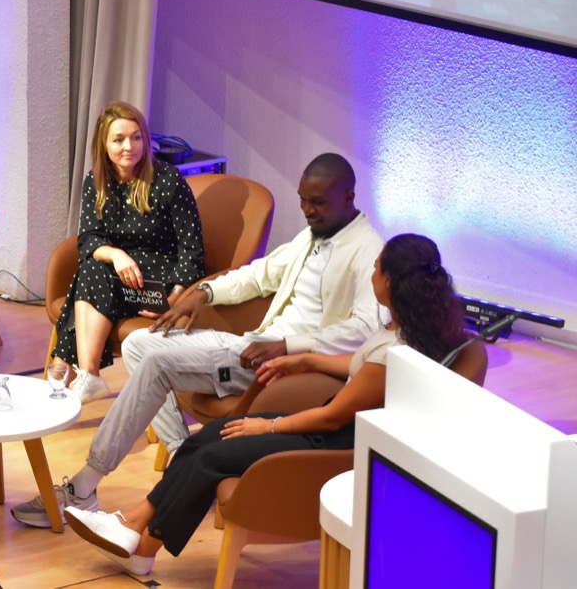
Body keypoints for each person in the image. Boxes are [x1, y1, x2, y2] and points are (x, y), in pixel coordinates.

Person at [12, 153, 384, 528]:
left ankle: (84, 486)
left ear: (348, 197)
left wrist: (291, 346)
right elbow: (257, 276)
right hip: (254, 344)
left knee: (156, 362)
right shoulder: (311, 236)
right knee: (138, 344)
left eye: (317, 202)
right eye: (303, 200)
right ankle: (182, 459)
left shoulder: (367, 252)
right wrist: (203, 293)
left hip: (280, 363)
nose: (307, 210)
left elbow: (364, 329)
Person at [64, 233, 469, 575]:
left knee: (211, 457)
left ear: (390, 282)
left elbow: (333, 417)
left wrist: (268, 427)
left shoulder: (393, 351)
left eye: (376, 268)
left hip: (335, 441)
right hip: (334, 427)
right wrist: (305, 359)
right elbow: (359, 367)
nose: (371, 273)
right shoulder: (406, 331)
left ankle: (140, 542)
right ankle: (135, 530)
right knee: (208, 436)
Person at [49, 101, 205, 404]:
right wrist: (116, 254)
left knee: (86, 278)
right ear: (104, 144)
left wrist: (173, 300)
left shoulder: (168, 180)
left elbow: (192, 253)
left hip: (157, 285)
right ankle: (88, 374)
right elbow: (89, 239)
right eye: (118, 140)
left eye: (136, 138)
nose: (128, 147)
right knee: (91, 269)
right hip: (119, 278)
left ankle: (63, 369)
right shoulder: (96, 181)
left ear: (146, 140)